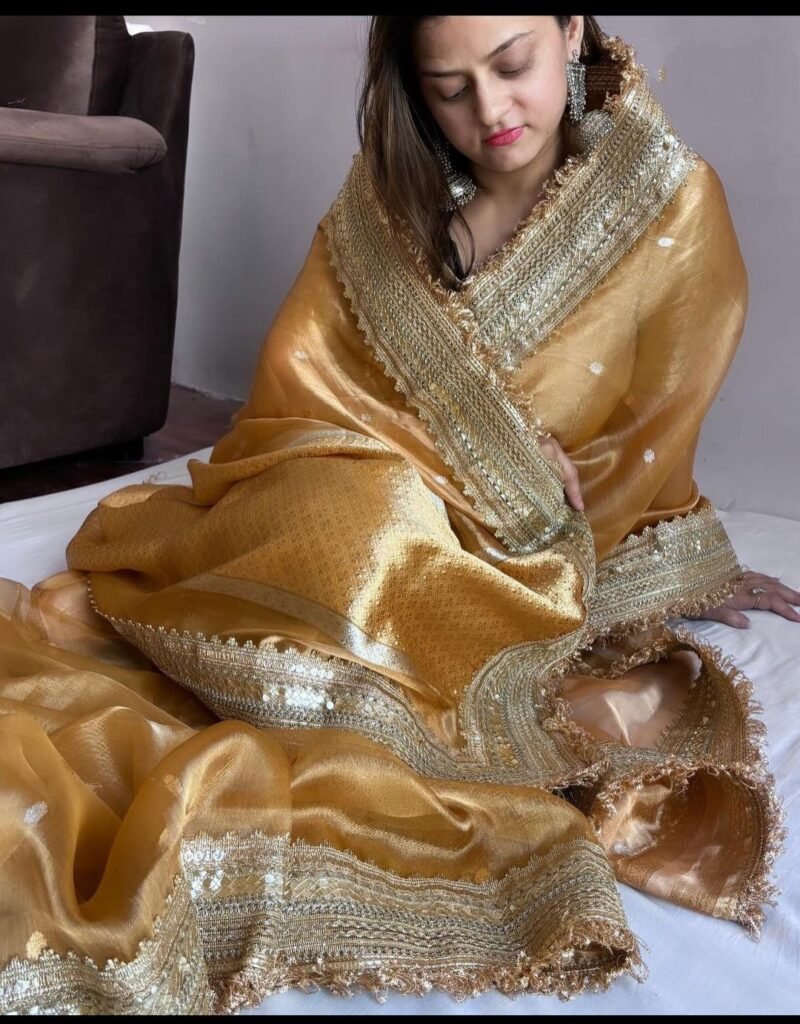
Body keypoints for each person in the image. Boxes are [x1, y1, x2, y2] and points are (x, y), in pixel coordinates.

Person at [0, 14, 797, 1014]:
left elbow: (649, 436)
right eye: (448, 87)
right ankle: (303, 653)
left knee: (379, 537)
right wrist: (468, 446)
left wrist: (649, 545)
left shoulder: (670, 201)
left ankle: (340, 665)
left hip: (501, 551)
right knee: (361, 514)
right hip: (346, 488)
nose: (489, 110)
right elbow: (300, 383)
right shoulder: (393, 194)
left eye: (512, 64)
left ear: (570, 31)